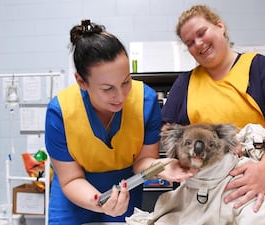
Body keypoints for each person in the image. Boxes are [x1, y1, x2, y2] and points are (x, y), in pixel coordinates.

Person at [162, 5, 265, 214]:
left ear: (220, 26)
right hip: (203, 185)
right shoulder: (185, 83)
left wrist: (264, 171)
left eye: (201, 33)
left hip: (253, 178)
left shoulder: (259, 68)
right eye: (190, 43)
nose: (198, 44)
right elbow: (170, 136)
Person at [44, 19, 192, 225]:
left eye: (125, 82)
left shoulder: (145, 101)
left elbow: (143, 161)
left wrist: (162, 167)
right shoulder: (60, 112)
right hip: (74, 194)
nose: (120, 95)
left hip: (125, 188)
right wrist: (99, 202)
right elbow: (70, 179)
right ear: (81, 82)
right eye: (107, 88)